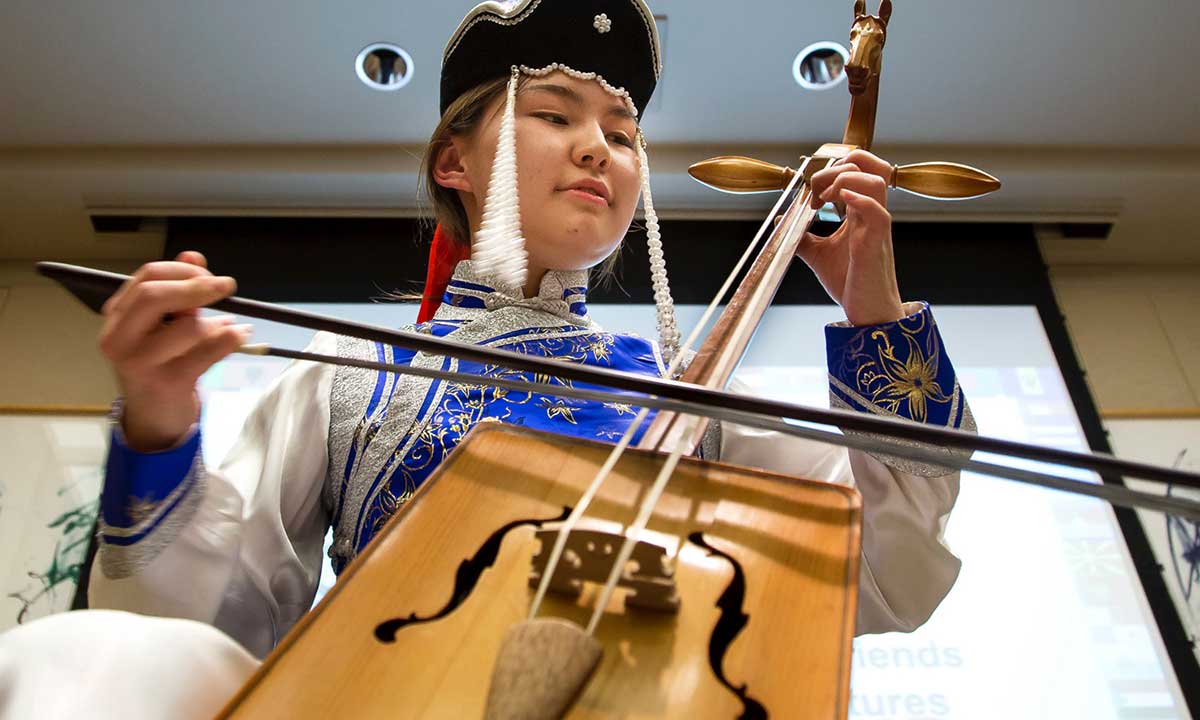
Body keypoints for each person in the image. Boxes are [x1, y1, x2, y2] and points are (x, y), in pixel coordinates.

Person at [0, 0, 973, 716]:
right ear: (450, 163)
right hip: (388, 700)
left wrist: (869, 307)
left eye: (622, 132)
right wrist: (161, 421)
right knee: (90, 660)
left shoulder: (691, 393)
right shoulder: (356, 369)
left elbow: (886, 577)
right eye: (554, 115)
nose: (598, 148)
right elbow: (209, 621)